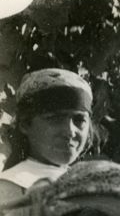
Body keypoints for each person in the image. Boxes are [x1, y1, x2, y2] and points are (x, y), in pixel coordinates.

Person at [0, 68, 93, 207]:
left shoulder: (89, 188)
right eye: (55, 118)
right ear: (25, 124)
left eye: (79, 120)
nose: (70, 131)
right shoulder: (9, 189)